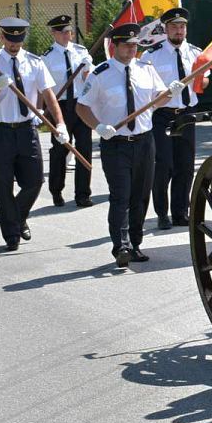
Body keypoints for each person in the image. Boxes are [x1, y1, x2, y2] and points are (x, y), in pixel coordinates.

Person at [78, 22, 169, 268]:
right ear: (113, 46)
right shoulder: (100, 73)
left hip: (144, 142)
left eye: (134, 45)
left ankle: (135, 244)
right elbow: (82, 106)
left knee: (140, 196)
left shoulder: (146, 69)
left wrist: (173, 91)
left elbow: (160, 98)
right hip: (115, 144)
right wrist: (98, 127)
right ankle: (121, 246)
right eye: (126, 46)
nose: (131, 50)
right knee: (121, 196)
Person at [0, 17, 66, 252]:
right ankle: (11, 234)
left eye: (18, 39)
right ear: (2, 37)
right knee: (4, 184)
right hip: (1, 132)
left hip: (27, 129)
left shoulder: (34, 62)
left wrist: (60, 123)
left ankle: (17, 217)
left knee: (35, 181)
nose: (14, 44)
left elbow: (48, 94)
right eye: (10, 39)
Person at [142, 6, 206, 230]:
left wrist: (200, 80)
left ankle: (181, 212)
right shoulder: (151, 55)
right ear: (166, 29)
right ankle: (162, 213)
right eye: (174, 27)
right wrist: (163, 91)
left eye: (182, 27)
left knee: (185, 165)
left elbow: (203, 84)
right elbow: (145, 87)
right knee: (164, 165)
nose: (179, 31)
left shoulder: (196, 53)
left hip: (186, 114)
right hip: (162, 115)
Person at [42, 14, 94, 208]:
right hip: (60, 106)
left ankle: (83, 194)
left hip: (80, 104)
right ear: (54, 33)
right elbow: (43, 87)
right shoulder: (46, 57)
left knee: (84, 148)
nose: (67, 35)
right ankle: (56, 190)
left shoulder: (81, 52)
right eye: (62, 32)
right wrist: (42, 110)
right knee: (60, 149)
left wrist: (89, 69)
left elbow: (88, 80)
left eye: (69, 31)